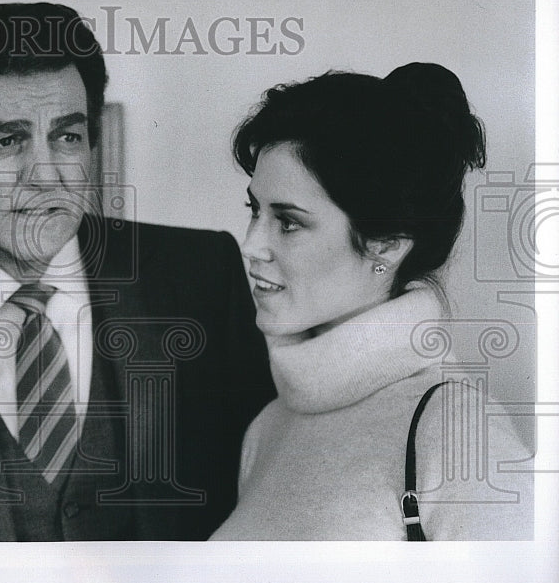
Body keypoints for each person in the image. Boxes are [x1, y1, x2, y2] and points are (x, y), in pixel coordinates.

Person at [0, 2, 275, 540]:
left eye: (67, 137)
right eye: (6, 141)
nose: (46, 176)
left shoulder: (200, 277)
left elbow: (266, 487)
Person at [211, 64, 534, 540]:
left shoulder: (464, 436)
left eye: (289, 221)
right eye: (254, 210)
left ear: (386, 245)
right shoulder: (267, 429)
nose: (251, 245)